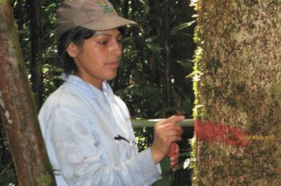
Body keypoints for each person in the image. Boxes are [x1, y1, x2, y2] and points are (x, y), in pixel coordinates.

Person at [38, 0, 184, 185]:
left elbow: (119, 170)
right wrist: (152, 155)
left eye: (118, 40)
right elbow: (91, 182)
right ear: (72, 47)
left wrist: (157, 161)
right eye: (103, 41)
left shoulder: (116, 104)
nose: (116, 50)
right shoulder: (64, 109)